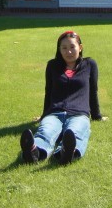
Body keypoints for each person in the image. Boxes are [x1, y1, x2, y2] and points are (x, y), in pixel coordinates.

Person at [20, 30, 106, 165]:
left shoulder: (89, 64)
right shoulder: (52, 65)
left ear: (80, 47)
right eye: (64, 48)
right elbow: (48, 92)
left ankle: (66, 153)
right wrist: (44, 115)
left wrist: (97, 116)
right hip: (55, 113)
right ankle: (34, 152)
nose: (68, 52)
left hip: (79, 114)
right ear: (59, 49)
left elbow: (93, 91)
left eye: (72, 47)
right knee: (46, 131)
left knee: (75, 132)